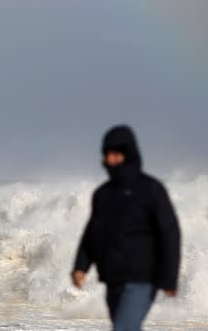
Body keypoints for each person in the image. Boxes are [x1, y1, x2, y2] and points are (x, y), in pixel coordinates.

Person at [72, 125, 181, 330]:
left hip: (142, 279)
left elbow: (169, 233)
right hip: (113, 280)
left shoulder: (150, 190)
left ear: (128, 154)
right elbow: (92, 234)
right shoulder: (102, 194)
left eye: (116, 154)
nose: (111, 160)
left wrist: (169, 278)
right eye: (108, 155)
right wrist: (81, 266)